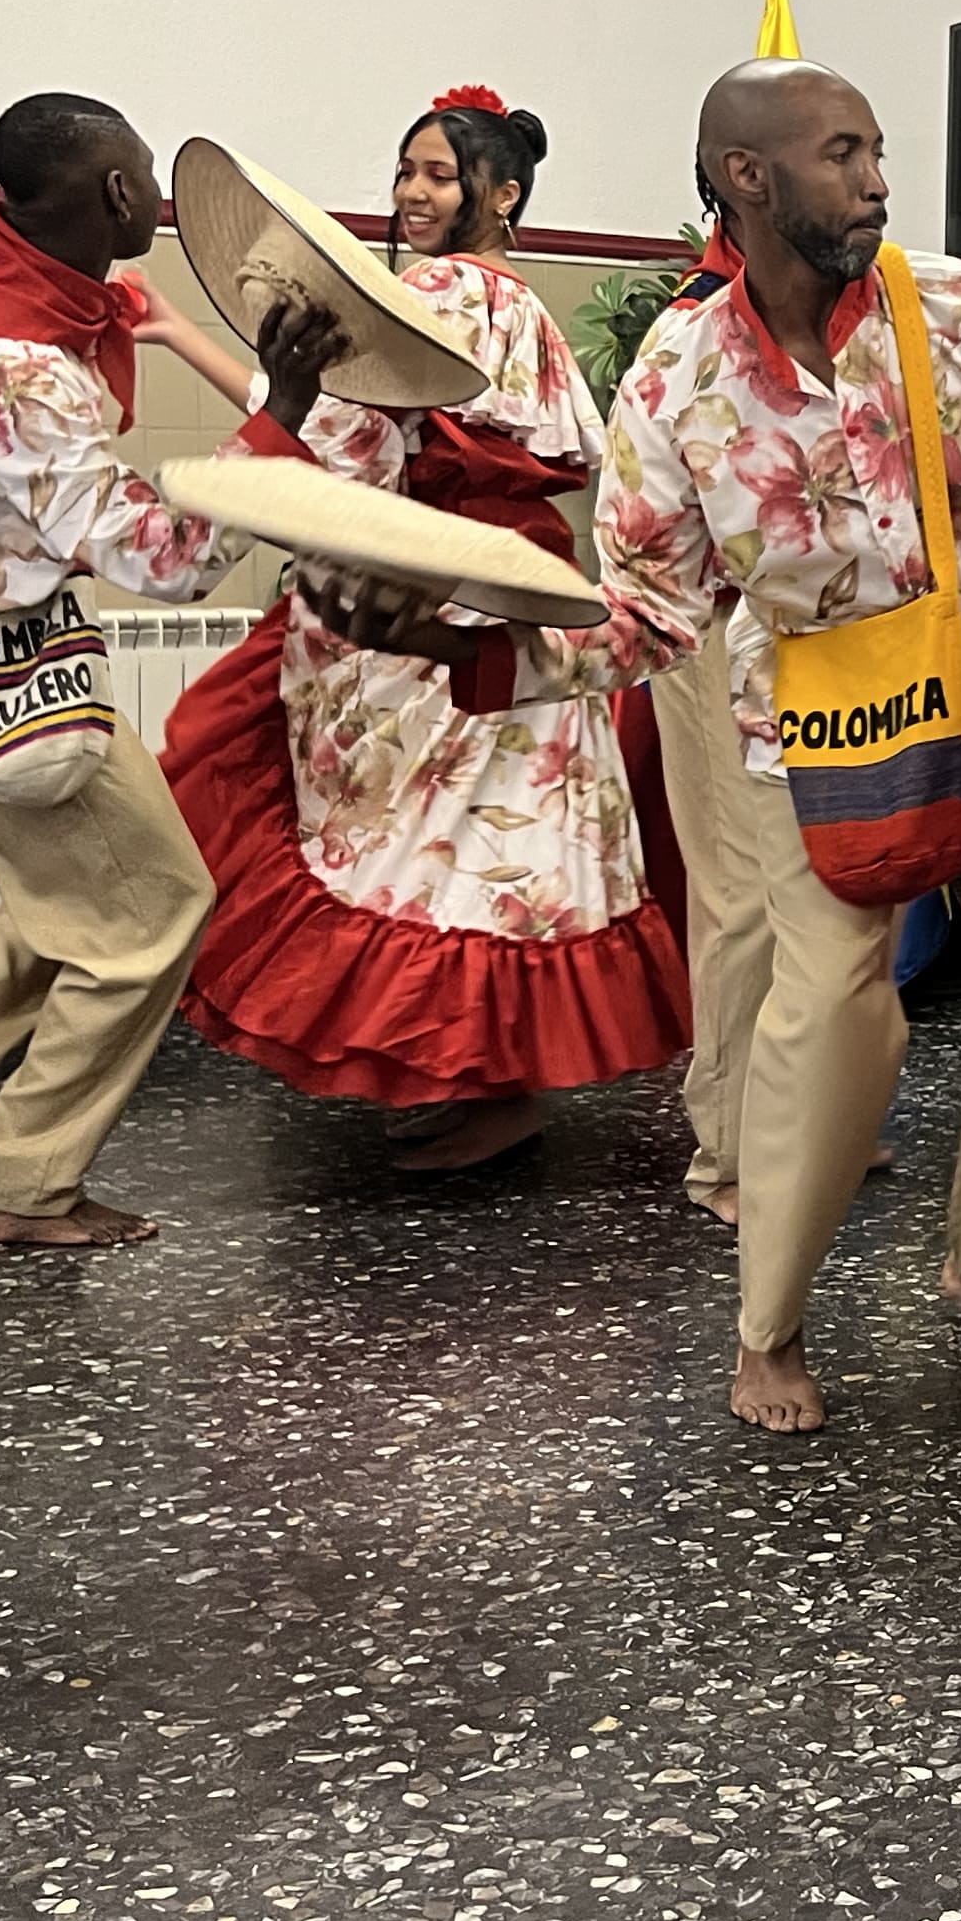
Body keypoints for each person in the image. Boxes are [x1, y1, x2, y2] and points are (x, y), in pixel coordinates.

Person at [313, 59, 961, 1432]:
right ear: (748, 177)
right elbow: (650, 612)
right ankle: (768, 1322)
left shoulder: (950, 306)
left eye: (878, 148)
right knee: (828, 1026)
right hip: (814, 747)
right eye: (844, 152)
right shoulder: (680, 378)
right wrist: (475, 648)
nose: (878, 177)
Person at [0, 93, 349, 1251]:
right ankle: (19, 1185)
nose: (160, 196)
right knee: (158, 908)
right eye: (150, 176)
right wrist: (285, 415)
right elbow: (161, 563)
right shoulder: (8, 358)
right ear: (117, 194)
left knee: (91, 894)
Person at [154, 88, 687, 1173]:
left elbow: (343, 447)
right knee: (499, 842)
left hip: (433, 583)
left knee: (429, 846)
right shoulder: (524, 311)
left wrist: (265, 450)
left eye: (438, 175)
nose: (412, 193)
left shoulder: (428, 294)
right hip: (517, 581)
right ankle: (496, 1085)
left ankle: (480, 1086)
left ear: (503, 193)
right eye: (406, 173)